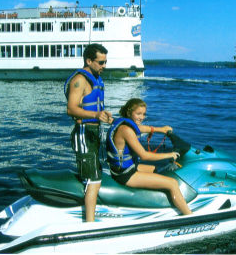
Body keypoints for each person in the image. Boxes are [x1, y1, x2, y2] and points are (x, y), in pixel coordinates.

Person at [106, 98, 192, 216]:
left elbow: (142, 128)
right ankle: (188, 216)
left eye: (144, 114)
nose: (141, 117)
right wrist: (170, 154)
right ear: (129, 112)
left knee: (159, 170)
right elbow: (144, 155)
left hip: (123, 169)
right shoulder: (126, 130)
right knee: (172, 183)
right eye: (138, 114)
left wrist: (161, 130)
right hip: (125, 175)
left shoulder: (123, 123)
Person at [64, 43, 113, 222]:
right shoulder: (79, 80)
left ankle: (92, 210)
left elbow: (95, 108)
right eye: (101, 63)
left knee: (97, 173)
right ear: (89, 60)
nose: (104, 66)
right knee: (93, 179)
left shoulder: (96, 79)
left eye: (106, 62)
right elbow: (71, 109)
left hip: (94, 132)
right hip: (84, 133)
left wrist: (104, 115)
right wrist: (95, 114)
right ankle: (90, 225)